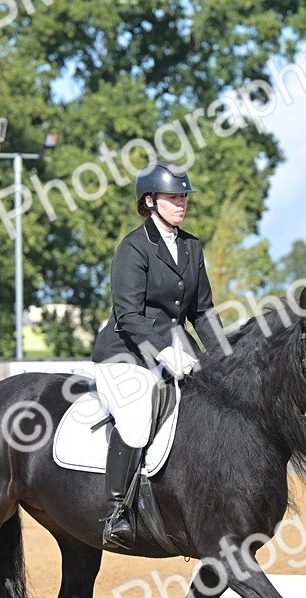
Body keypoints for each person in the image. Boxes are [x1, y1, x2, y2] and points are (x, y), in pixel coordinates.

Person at [91, 161, 223, 550]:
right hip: (124, 355)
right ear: (149, 201)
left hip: (178, 351)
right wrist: (164, 350)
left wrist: (223, 357)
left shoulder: (191, 246)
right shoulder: (133, 247)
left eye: (183, 196)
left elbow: (202, 312)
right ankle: (116, 513)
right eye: (173, 197)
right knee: (135, 417)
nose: (181, 203)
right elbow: (128, 315)